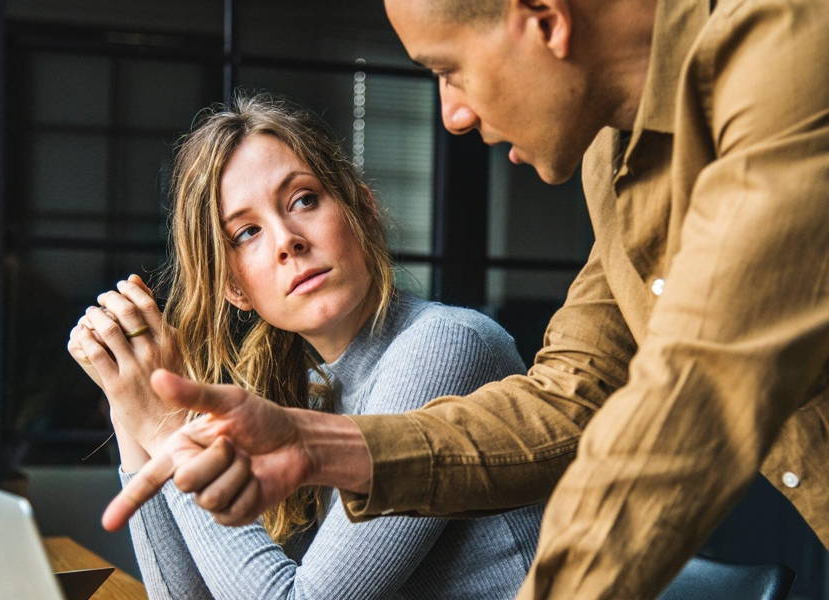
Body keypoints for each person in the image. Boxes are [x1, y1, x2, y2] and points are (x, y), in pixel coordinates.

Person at [106, 0, 829, 598]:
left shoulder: (817, 34)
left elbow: (695, 400)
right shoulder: (614, 155)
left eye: (447, 70)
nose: (453, 115)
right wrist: (310, 444)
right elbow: (570, 399)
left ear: (540, 16)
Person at [71, 94, 543, 599]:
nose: (285, 240)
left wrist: (167, 427)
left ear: (363, 209)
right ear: (235, 289)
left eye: (303, 200)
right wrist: (129, 400)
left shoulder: (446, 346)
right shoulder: (312, 390)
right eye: (247, 232)